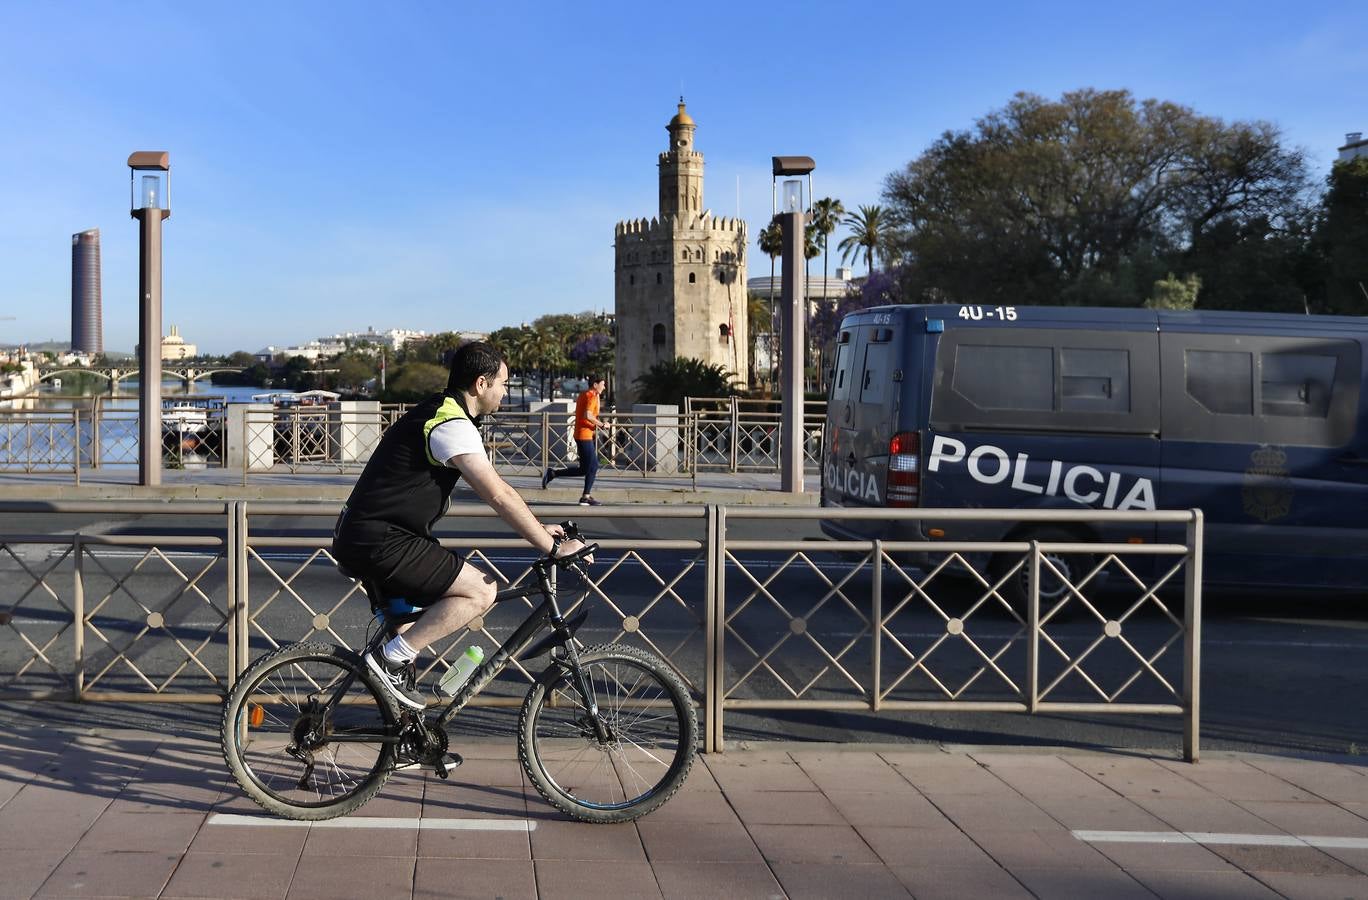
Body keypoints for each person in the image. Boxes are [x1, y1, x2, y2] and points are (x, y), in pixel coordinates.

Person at [332, 341, 588, 713]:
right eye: (503, 383)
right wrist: (550, 548)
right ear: (481, 384)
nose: (505, 391)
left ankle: (405, 741)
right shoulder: (451, 424)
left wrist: (539, 527)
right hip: (381, 540)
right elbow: (498, 494)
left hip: (367, 535)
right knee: (480, 592)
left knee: (407, 642)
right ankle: (388, 662)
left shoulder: (442, 412)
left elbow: (502, 491)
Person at [541, 375, 607, 506]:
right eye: (602, 384)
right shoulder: (591, 396)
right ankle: (585, 497)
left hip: (582, 434)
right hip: (584, 436)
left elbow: (590, 412)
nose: (604, 387)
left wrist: (598, 397)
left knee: (585, 469)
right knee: (593, 466)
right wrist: (602, 424)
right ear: (595, 384)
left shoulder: (586, 394)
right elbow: (588, 415)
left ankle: (553, 473)